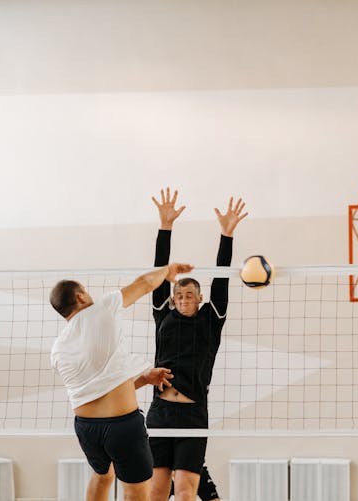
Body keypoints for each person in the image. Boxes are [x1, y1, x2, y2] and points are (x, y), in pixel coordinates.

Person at [50, 263, 193, 501]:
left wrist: (144, 379)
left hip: (86, 428)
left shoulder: (59, 347)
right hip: (122, 427)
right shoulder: (101, 309)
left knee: (102, 477)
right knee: (135, 491)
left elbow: (99, 388)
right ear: (80, 296)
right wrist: (168, 270)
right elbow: (145, 284)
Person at [147, 187, 247, 501]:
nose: (183, 299)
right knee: (157, 491)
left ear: (200, 299)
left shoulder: (211, 318)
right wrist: (166, 227)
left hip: (193, 415)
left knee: (187, 493)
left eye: (190, 295)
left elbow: (221, 280)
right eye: (179, 295)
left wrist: (226, 235)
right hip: (160, 413)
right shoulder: (163, 314)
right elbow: (158, 273)